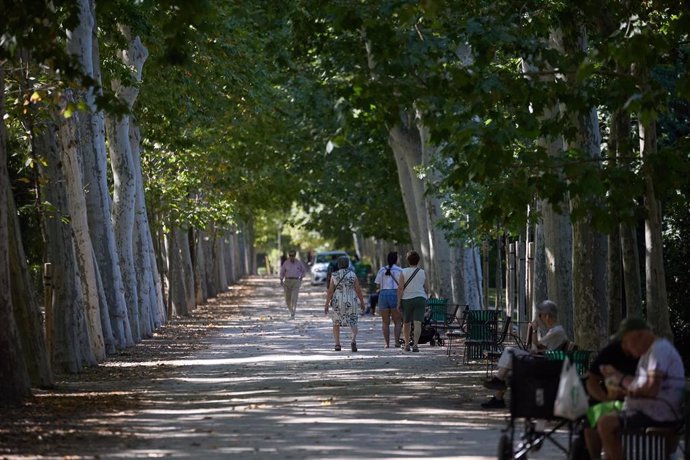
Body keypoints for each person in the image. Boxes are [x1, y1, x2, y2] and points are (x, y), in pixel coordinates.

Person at [597, 317, 685, 460]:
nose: (624, 347)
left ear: (638, 335)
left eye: (626, 341)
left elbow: (651, 390)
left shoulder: (659, 350)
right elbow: (640, 384)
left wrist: (621, 381)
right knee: (600, 416)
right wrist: (619, 380)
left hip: (658, 414)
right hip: (649, 411)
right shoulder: (649, 353)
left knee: (605, 424)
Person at [480, 299, 568, 409]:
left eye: (540, 315)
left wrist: (535, 330)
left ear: (546, 316)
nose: (540, 319)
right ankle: (498, 397)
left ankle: (498, 380)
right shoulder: (555, 331)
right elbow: (539, 348)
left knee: (509, 351)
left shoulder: (557, 331)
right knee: (510, 361)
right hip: (543, 361)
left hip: (543, 364)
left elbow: (537, 346)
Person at [581, 338, 639, 459]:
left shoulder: (647, 355)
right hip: (611, 401)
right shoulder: (612, 351)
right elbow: (591, 379)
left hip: (637, 403)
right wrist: (605, 398)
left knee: (606, 423)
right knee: (591, 417)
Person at [324, 256, 365, 352]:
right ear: (347, 264)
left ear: (338, 264)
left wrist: (326, 304)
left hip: (338, 301)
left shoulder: (334, 275)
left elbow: (330, 291)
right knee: (353, 321)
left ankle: (337, 344)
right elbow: (358, 290)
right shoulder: (352, 275)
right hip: (351, 300)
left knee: (336, 323)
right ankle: (353, 340)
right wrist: (362, 302)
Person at [397, 250, 428, 353]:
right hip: (420, 298)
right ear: (418, 261)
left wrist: (398, 302)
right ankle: (415, 345)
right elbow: (423, 286)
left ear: (408, 260)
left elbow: (400, 288)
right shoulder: (422, 272)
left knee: (406, 323)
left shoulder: (403, 271)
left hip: (407, 299)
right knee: (418, 322)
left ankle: (406, 344)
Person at [374, 251, 403, 348]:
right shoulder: (399, 270)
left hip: (383, 294)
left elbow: (377, 284)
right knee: (397, 321)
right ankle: (396, 342)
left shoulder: (381, 270)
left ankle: (386, 343)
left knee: (385, 322)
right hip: (394, 294)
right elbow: (402, 285)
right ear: (396, 259)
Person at [279, 250, 307, 319]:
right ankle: (291, 310)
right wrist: (281, 279)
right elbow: (282, 272)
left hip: (296, 281)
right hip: (287, 281)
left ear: (295, 256)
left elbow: (303, 271)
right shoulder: (286, 263)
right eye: (290, 256)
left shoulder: (298, 263)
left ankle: (293, 313)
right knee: (287, 299)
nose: (292, 257)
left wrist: (301, 278)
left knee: (294, 298)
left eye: (293, 256)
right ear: (289, 256)